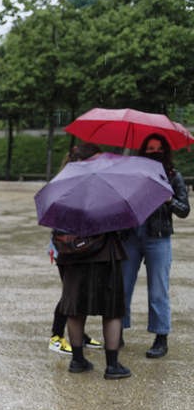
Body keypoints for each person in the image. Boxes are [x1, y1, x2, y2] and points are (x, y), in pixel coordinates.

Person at [54, 143, 130, 379]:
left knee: (75, 309)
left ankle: (78, 361)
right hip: (105, 255)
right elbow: (123, 222)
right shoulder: (108, 186)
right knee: (112, 310)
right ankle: (112, 365)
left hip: (72, 256)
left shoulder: (62, 185)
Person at [121, 133, 190, 358]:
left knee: (158, 290)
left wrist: (168, 198)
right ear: (143, 150)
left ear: (165, 151)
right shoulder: (133, 174)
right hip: (131, 235)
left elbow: (184, 210)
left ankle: (161, 338)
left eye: (157, 148)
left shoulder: (173, 176)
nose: (153, 152)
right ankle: (116, 331)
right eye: (149, 148)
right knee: (122, 286)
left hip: (158, 237)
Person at [48, 145, 103, 354]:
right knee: (70, 293)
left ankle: (79, 333)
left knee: (81, 291)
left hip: (82, 245)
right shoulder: (66, 183)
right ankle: (56, 336)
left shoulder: (87, 182)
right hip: (66, 246)